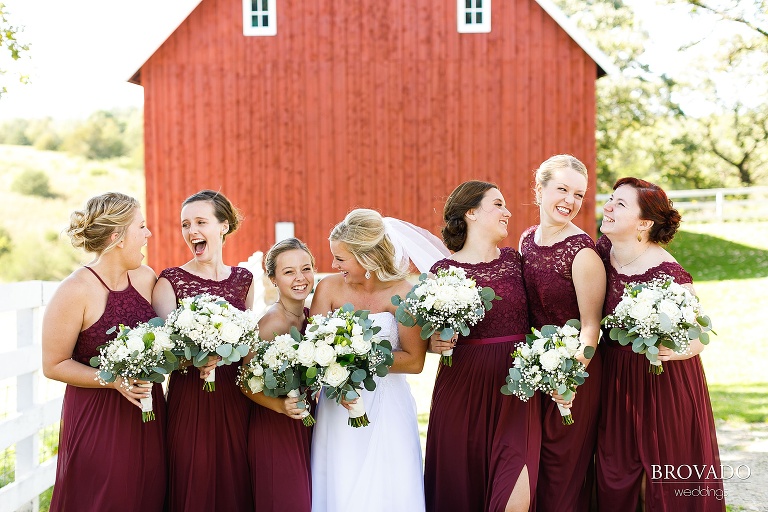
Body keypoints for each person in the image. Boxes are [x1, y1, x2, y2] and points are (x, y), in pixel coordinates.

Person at [596, 177, 724, 511]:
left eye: (620, 204)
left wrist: (676, 350)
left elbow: (698, 335)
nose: (607, 206)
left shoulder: (668, 272)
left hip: (661, 382)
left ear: (644, 223)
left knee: (655, 479)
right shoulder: (601, 252)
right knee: (615, 472)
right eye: (611, 199)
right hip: (615, 378)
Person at [42, 192, 165, 511]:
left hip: (150, 414)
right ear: (118, 237)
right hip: (99, 422)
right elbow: (53, 365)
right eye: (141, 227)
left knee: (150, 494)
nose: (148, 234)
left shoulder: (146, 278)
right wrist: (112, 380)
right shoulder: (75, 291)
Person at [424, 181, 539, 512]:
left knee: (515, 495)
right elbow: (431, 342)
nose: (508, 212)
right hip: (462, 392)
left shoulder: (517, 262)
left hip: (518, 390)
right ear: (471, 212)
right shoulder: (441, 273)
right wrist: (436, 342)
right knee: (461, 488)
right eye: (498, 205)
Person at [310, 208, 427, 512]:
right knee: (342, 479)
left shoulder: (404, 293)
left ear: (366, 259)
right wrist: (337, 359)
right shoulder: (328, 288)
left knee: (390, 485)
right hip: (339, 404)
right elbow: (313, 349)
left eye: (340, 258)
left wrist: (359, 356)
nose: (333, 265)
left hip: (388, 406)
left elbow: (415, 361)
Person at [152, 190, 255, 512]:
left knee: (235, 478)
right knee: (191, 476)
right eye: (185, 224)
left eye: (200, 222)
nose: (191, 231)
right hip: (190, 396)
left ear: (223, 226)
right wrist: (196, 356)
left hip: (236, 395)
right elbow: (163, 352)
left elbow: (250, 345)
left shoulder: (244, 280)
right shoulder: (170, 281)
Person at [519, 155, 605, 511]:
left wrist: (570, 378)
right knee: (531, 463)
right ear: (539, 189)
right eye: (562, 189)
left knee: (561, 466)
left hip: (575, 372)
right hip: (534, 370)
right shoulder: (526, 240)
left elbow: (591, 325)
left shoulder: (582, 251)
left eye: (579, 194)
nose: (570, 201)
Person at [242, 238, 315, 512]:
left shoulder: (312, 318)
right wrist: (280, 405)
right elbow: (244, 382)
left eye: (306, 269)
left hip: (306, 424)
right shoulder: (271, 323)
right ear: (273, 278)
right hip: (275, 427)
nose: (300, 278)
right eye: (288, 272)